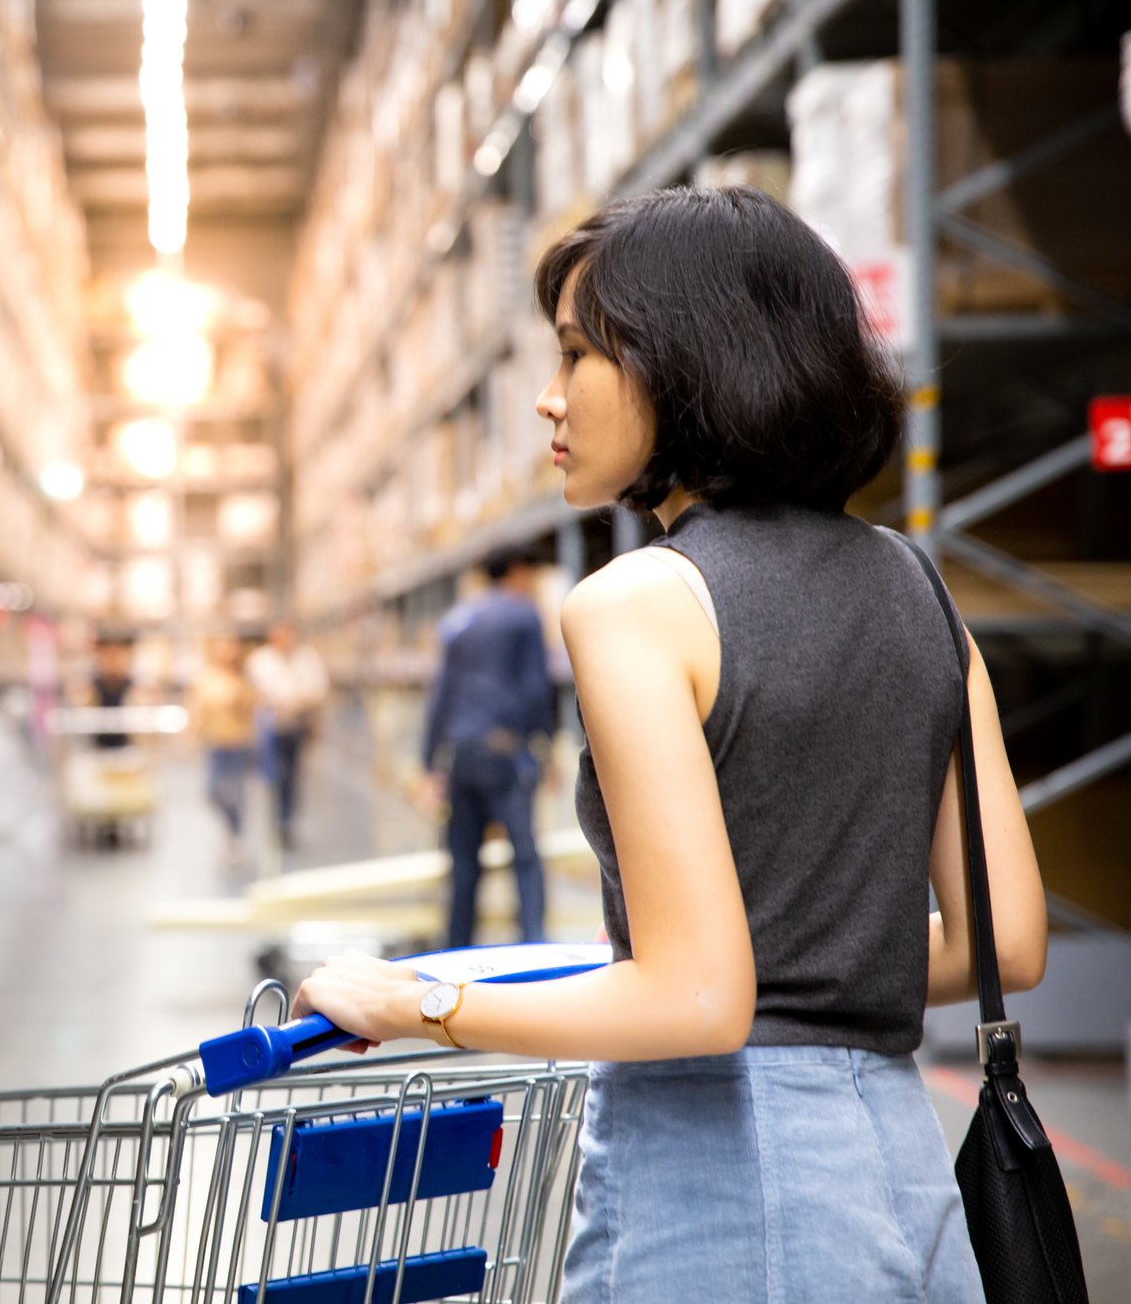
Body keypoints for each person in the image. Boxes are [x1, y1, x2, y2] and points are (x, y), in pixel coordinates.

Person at [290, 187, 1047, 1302]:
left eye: (577, 357)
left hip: (730, 1187)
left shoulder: (638, 603)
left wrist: (419, 1005)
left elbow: (698, 1001)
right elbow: (1008, 943)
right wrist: (806, 980)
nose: (548, 403)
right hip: (903, 1169)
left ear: (685, 361)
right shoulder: (922, 592)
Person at [419, 546, 555, 946]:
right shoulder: (523, 614)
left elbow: (440, 693)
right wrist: (544, 745)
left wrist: (429, 762)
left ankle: (456, 949)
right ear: (516, 571)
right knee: (525, 860)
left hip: (461, 756)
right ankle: (535, 947)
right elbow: (535, 688)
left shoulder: (458, 619)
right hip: (504, 754)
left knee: (464, 865)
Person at [245, 622, 328, 847]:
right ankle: (272, 818)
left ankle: (286, 821)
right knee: (271, 774)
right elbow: (251, 692)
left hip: (297, 724)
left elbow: (319, 690)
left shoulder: (307, 659)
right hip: (269, 726)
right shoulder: (260, 660)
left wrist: (300, 704)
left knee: (292, 775)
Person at [187, 636, 257, 839]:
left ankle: (235, 831)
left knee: (235, 792)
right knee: (213, 791)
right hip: (215, 742)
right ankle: (230, 823)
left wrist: (239, 702)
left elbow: (252, 706)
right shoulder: (206, 679)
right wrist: (192, 737)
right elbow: (197, 710)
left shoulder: (242, 679)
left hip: (237, 743)